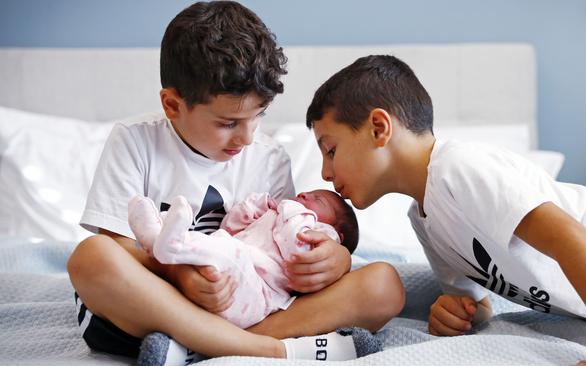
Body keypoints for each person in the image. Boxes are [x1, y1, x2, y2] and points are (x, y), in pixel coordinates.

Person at [66, 2, 405, 365]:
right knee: (91, 257)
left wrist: (333, 262)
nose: (246, 137)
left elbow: (280, 259)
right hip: (151, 310)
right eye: (228, 123)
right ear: (172, 105)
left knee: (384, 285)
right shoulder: (134, 140)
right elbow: (119, 243)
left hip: (247, 310)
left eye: (257, 116)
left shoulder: (269, 156)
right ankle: (273, 351)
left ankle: (194, 348)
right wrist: (178, 273)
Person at [304, 54, 586, 365]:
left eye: (331, 150)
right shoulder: (425, 219)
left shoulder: (459, 168)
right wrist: (459, 312)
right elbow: (481, 302)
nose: (325, 173)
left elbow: (578, 243)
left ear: (379, 128)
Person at [127, 189, 360, 329]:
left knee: (229, 251)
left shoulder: (322, 235)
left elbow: (294, 249)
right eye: (309, 192)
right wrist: (256, 207)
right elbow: (231, 227)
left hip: (257, 293)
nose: (305, 194)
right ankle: (157, 238)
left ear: (337, 233)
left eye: (318, 200)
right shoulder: (278, 215)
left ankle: (170, 244)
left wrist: (292, 210)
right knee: (219, 241)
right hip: (233, 268)